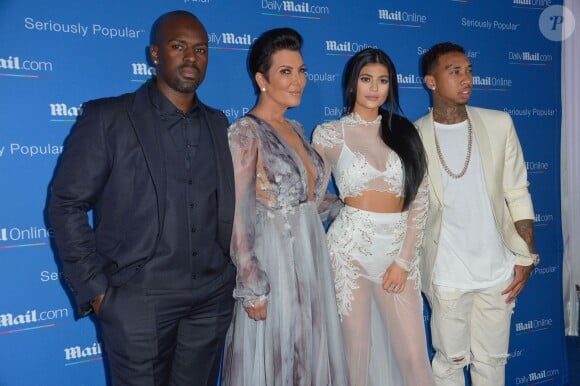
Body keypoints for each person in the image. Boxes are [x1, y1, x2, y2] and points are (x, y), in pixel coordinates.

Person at [47, 10, 236, 386]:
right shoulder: (108, 118)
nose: (191, 57)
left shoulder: (218, 122)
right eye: (178, 46)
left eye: (200, 49)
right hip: (138, 299)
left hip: (211, 298)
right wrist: (97, 292)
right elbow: (66, 204)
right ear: (154, 54)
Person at [220, 28, 349, 386]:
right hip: (274, 263)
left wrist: (352, 209)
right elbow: (238, 215)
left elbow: (309, 199)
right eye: (286, 72)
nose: (299, 81)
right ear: (262, 79)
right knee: (280, 358)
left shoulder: (295, 127)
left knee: (310, 356)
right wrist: (252, 284)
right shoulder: (245, 133)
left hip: (311, 262)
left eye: (302, 70)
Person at [415, 42, 538, 386]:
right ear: (431, 81)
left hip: (497, 273)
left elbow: (517, 192)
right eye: (454, 71)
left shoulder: (499, 124)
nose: (466, 78)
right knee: (449, 365)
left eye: (469, 70)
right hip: (446, 275)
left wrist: (526, 255)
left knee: (492, 364)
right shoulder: (413, 135)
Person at [312, 48, 434, 386]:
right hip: (348, 251)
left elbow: (420, 201)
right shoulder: (328, 134)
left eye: (383, 80)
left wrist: (404, 261)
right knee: (354, 354)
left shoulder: (406, 133)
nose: (374, 87)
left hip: (398, 253)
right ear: (352, 84)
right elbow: (314, 195)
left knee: (413, 357)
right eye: (366, 79)